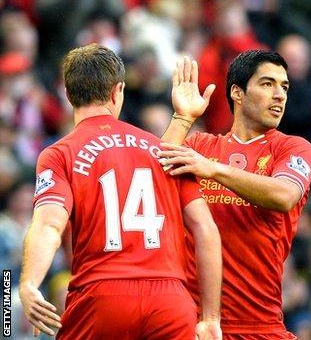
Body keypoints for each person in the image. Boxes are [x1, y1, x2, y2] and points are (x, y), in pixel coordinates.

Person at [18, 44, 223, 340]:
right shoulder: (163, 149)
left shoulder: (59, 153)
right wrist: (210, 317)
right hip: (170, 300)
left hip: (102, 296)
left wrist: (29, 283)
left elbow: (49, 224)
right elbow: (205, 228)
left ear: (68, 93)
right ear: (118, 91)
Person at [159, 50, 311, 339]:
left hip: (259, 325)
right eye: (267, 84)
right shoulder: (201, 145)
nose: (279, 95)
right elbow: (151, 181)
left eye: (284, 87)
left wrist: (213, 170)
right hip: (195, 325)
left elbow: (284, 195)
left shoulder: (293, 148)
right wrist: (182, 117)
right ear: (237, 93)